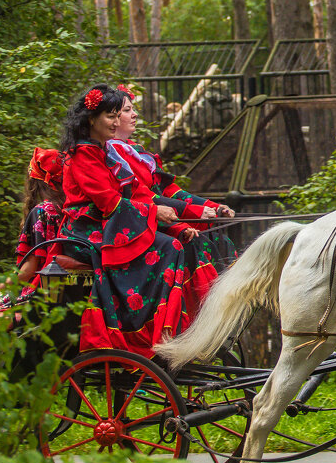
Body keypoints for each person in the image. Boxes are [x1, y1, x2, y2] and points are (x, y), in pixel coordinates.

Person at [58, 83, 200, 357]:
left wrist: (170, 216)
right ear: (91, 119)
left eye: (116, 115)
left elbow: (131, 195)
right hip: (86, 232)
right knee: (169, 248)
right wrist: (153, 212)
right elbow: (108, 202)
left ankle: (162, 325)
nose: (115, 122)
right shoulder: (83, 154)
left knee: (174, 243)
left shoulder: (100, 151)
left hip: (108, 225)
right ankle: (144, 326)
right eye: (110, 116)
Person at [105, 85, 236, 310]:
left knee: (220, 240)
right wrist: (192, 214)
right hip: (142, 222)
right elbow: (141, 197)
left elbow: (170, 191)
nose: (134, 114)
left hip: (161, 218)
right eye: (127, 110)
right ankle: (199, 314)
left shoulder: (135, 151)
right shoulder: (112, 154)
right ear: (113, 118)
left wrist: (212, 206)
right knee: (196, 243)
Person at [15, 148, 66, 284]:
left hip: (44, 289)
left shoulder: (42, 211)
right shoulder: (73, 207)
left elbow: (27, 272)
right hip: (74, 287)